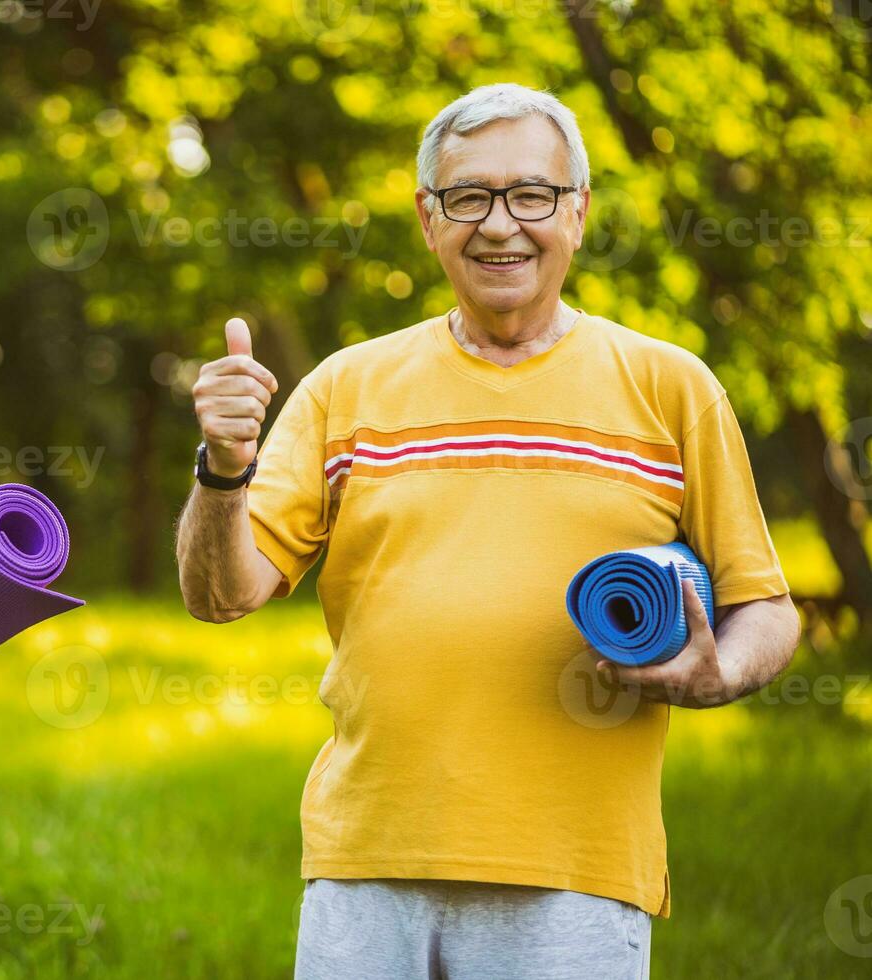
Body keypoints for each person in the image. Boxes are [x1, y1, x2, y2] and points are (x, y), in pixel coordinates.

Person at [175, 83, 802, 979]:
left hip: (575, 879)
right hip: (367, 867)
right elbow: (219, 595)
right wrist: (224, 464)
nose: (501, 225)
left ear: (577, 214)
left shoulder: (672, 388)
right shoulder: (346, 388)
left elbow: (766, 607)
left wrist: (722, 669)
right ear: (429, 219)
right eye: (468, 197)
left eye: (532, 195)